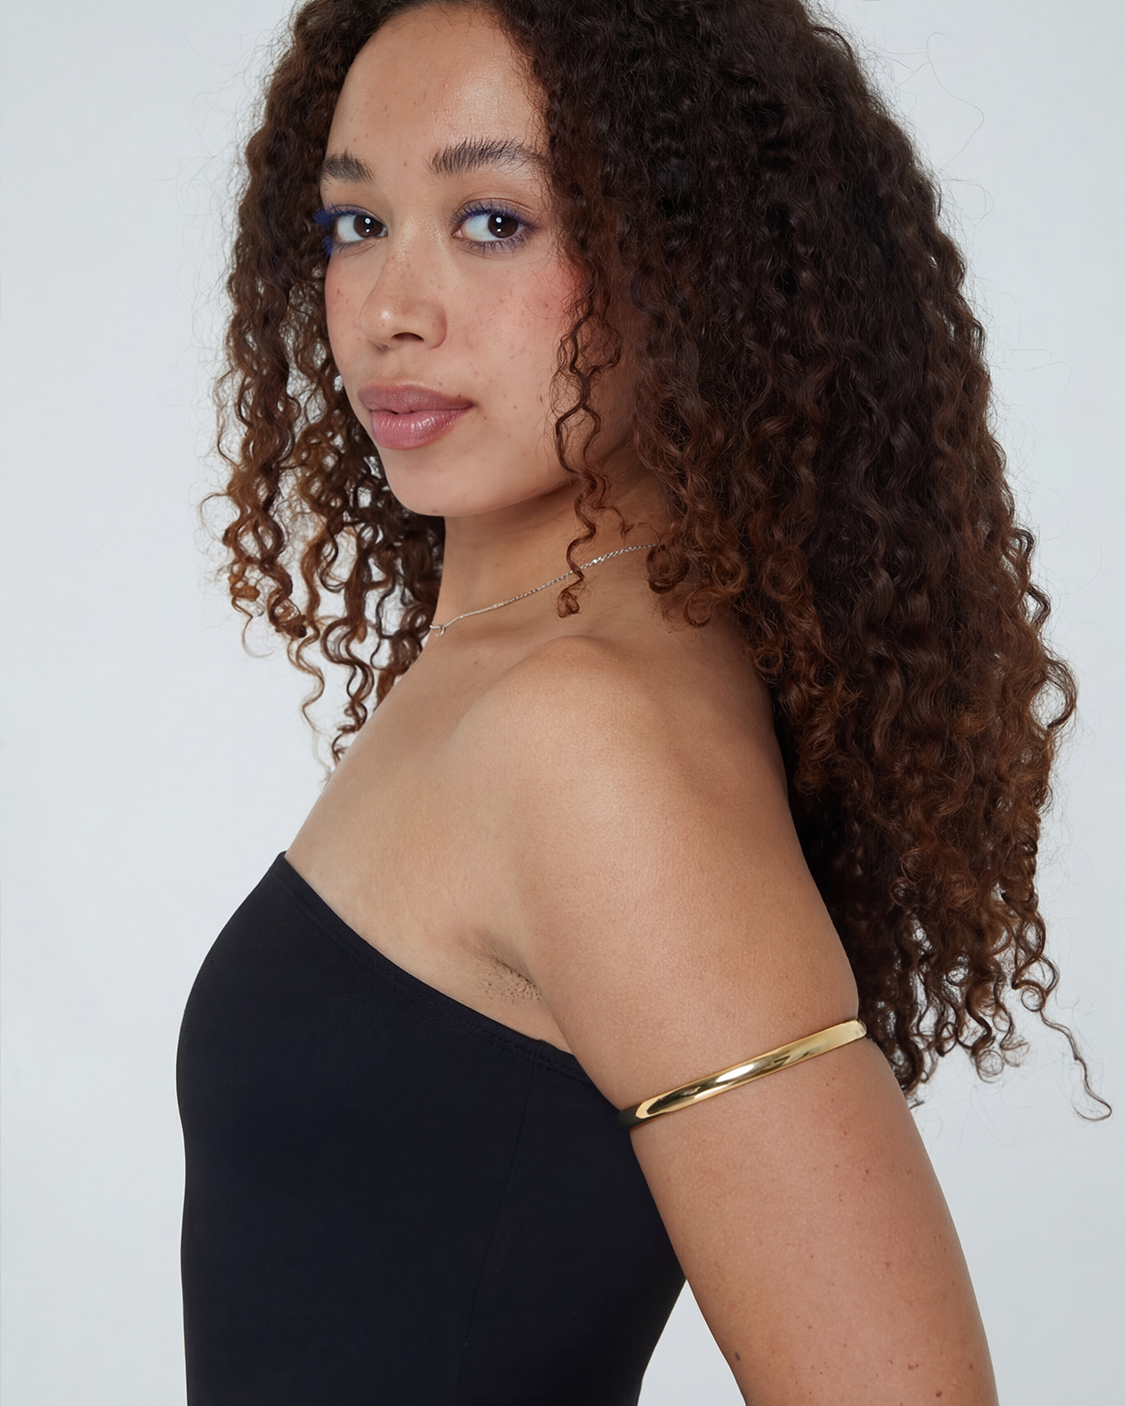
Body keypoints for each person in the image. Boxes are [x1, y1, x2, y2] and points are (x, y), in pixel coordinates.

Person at [176, 1, 1093, 1401]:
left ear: (697, 259)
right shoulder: (518, 656)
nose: (390, 306)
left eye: (494, 220)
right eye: (352, 223)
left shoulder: (590, 735)